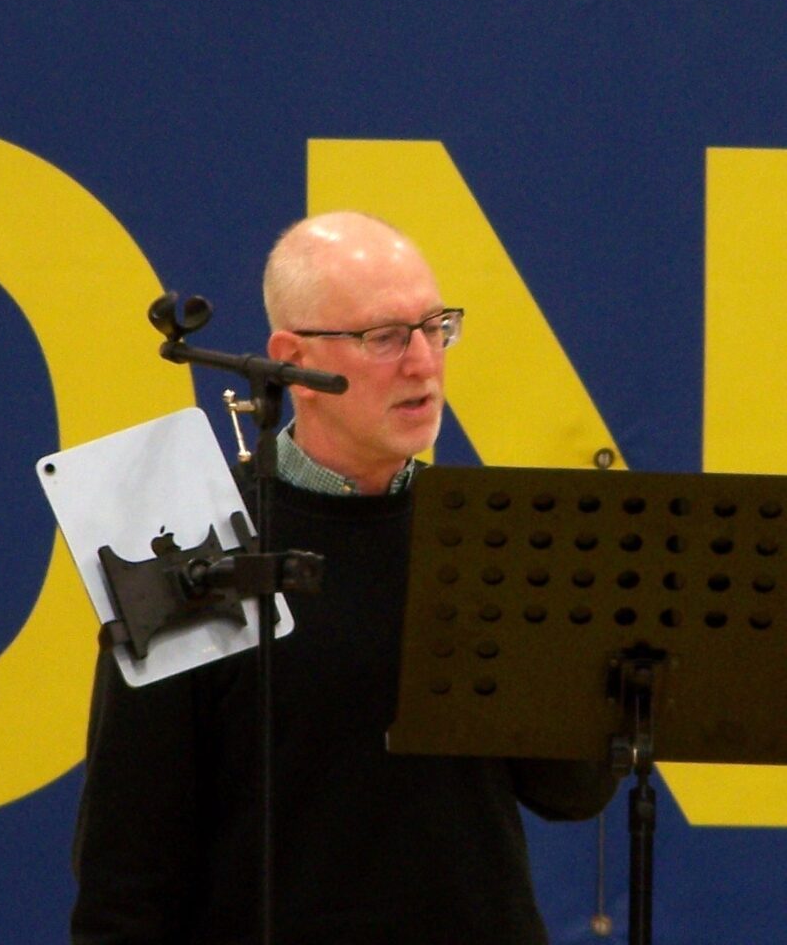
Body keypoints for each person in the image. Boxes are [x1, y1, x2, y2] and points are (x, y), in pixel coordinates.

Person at [71, 211, 618, 944]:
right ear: (291, 359)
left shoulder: (486, 538)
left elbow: (570, 792)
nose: (424, 362)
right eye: (385, 337)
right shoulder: (198, 549)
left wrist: (588, 655)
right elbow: (127, 869)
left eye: (436, 327)